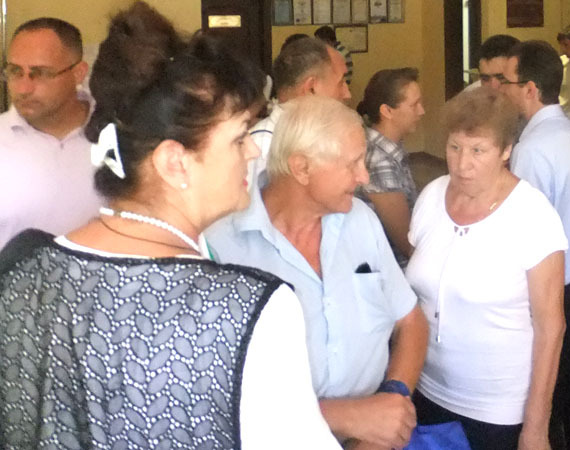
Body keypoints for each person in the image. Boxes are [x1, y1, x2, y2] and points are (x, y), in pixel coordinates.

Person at [0, 3, 342, 449]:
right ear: (174, 162)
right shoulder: (245, 309)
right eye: (239, 136)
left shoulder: (21, 270)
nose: (254, 152)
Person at [206, 95, 428, 450]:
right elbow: (215, 393)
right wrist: (346, 416)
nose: (364, 177)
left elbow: (411, 321)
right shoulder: (222, 245)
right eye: (352, 163)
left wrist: (393, 401)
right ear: (302, 168)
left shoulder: (361, 221)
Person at [406, 87, 567, 450]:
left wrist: (536, 427)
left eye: (478, 150)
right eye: (454, 147)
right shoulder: (431, 196)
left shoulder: (533, 215)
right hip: (426, 388)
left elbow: (551, 328)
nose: (462, 164)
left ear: (506, 150)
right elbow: (417, 292)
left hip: (497, 407)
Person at [501, 40, 570, 450]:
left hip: (557, 290)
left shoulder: (532, 151)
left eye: (506, 81)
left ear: (529, 89)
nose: (500, 89)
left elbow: (524, 235)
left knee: (551, 391)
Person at [0, 17, 104, 249]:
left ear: (78, 73)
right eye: (15, 71)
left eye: (40, 73)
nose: (24, 88)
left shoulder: (120, 136)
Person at [249, 37, 351, 186]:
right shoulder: (262, 149)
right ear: (311, 89)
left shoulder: (324, 138)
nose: (348, 94)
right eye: (341, 83)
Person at [356, 68, 423, 267]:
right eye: (414, 105)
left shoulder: (386, 147)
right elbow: (406, 243)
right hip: (393, 268)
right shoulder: (379, 161)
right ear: (387, 111)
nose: (422, 111)